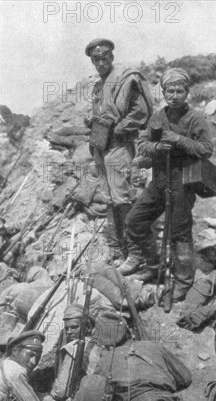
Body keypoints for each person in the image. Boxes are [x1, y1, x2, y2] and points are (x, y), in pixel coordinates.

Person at [120, 68, 214, 301]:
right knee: (135, 221)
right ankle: (154, 264)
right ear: (163, 93)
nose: (174, 95)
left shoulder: (195, 118)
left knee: (179, 234)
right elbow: (142, 143)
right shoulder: (158, 117)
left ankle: (182, 281)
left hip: (184, 182)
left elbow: (206, 149)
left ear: (187, 92)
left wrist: (179, 140)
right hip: (160, 181)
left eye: (179, 91)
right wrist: (157, 148)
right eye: (169, 91)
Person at [85, 38, 153, 260]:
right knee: (108, 197)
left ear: (111, 57)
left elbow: (140, 113)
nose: (101, 63)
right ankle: (116, 247)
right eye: (96, 59)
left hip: (119, 145)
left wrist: (119, 129)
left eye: (104, 58)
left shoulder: (125, 78)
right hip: (100, 147)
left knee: (122, 196)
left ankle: (135, 253)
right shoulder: (97, 86)